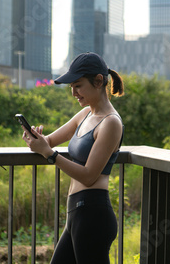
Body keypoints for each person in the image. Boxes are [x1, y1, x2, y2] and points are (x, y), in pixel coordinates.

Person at [21, 52, 124, 264]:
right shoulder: (85, 114)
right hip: (77, 213)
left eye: (78, 85)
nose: (74, 93)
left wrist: (48, 154)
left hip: (93, 215)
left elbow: (88, 176)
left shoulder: (111, 123)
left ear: (98, 81)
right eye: (71, 87)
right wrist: (36, 139)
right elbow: (48, 141)